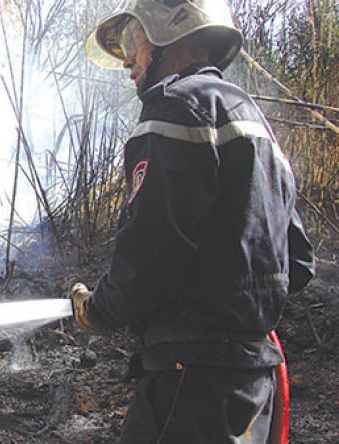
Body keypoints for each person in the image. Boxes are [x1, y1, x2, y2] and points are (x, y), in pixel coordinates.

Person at [71, 0, 315, 442]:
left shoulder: (175, 107)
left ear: (172, 31)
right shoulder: (253, 122)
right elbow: (298, 262)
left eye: (132, 40)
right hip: (251, 388)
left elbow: (151, 248)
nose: (126, 60)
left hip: (192, 383)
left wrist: (99, 310)